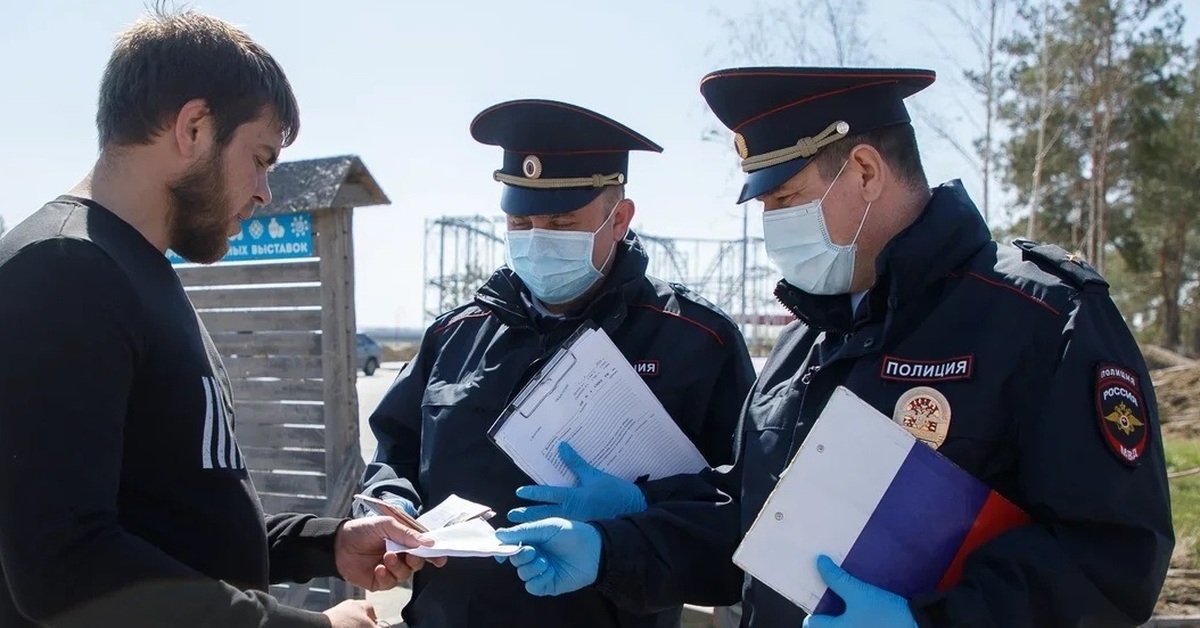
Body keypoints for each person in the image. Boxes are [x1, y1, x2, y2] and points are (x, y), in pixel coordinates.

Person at [496, 67, 1176, 627]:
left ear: (865, 171)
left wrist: (932, 624)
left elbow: (1113, 556)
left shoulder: (1040, 319)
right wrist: (618, 541)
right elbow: (757, 523)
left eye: (783, 199)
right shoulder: (803, 344)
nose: (770, 227)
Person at [0, 7, 437, 628]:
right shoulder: (64, 268)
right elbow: (65, 567)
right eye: (260, 157)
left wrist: (326, 544)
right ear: (195, 127)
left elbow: (175, 526)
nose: (263, 190)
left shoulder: (136, 269)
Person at [355, 98, 756, 628]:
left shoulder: (698, 339)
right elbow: (395, 449)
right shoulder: (455, 334)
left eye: (562, 221)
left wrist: (641, 504)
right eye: (520, 221)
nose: (538, 237)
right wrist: (388, 503)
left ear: (620, 219)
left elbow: (745, 505)